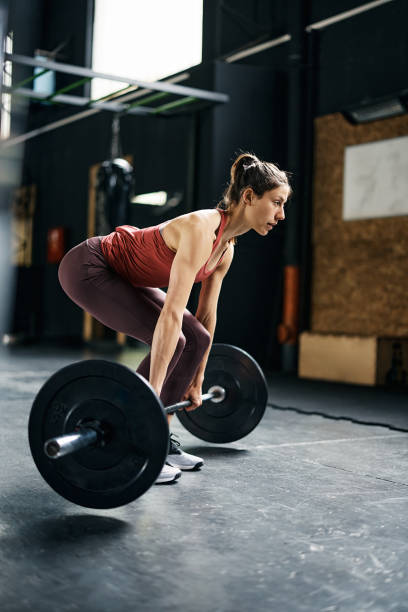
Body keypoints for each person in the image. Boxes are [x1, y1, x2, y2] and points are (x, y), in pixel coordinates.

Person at [58, 152, 291, 484]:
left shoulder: (226, 249)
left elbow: (206, 317)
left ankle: (158, 441)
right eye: (277, 203)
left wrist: (197, 380)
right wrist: (150, 394)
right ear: (250, 197)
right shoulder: (200, 228)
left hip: (126, 277)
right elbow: (170, 317)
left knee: (197, 336)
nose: (281, 215)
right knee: (177, 337)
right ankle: (136, 437)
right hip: (89, 267)